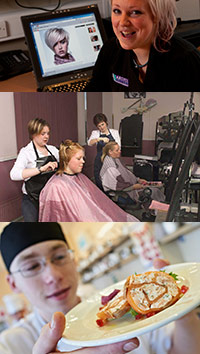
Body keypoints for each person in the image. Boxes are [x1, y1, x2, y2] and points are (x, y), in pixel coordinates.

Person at [0, 222, 200, 354]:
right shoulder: (10, 345)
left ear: (73, 259)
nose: (53, 275)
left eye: (60, 257)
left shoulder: (127, 308)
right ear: (13, 284)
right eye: (32, 266)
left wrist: (181, 313)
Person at [88, 0, 200, 92]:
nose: (123, 22)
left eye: (135, 12)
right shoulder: (110, 51)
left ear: (158, 14)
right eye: (117, 11)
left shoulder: (186, 61)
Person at [39, 139, 137, 221]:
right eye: (79, 158)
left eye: (83, 158)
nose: (83, 161)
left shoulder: (81, 177)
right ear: (66, 160)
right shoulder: (55, 186)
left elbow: (96, 202)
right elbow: (55, 216)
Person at [10, 118, 59, 222]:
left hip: (49, 198)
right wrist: (40, 169)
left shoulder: (53, 150)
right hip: (32, 199)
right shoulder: (26, 152)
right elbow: (14, 174)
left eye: (47, 133)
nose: (46, 136)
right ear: (33, 134)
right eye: (43, 133)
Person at [100, 142, 165, 204]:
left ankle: (159, 208)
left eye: (119, 149)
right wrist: (133, 187)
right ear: (110, 152)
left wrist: (138, 180)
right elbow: (117, 186)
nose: (120, 151)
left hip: (131, 186)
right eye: (117, 150)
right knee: (153, 191)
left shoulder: (117, 160)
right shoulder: (110, 167)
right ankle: (156, 211)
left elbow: (127, 173)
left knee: (157, 188)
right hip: (124, 192)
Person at [88, 112, 120, 188]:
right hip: (100, 160)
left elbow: (119, 146)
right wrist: (99, 139)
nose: (101, 127)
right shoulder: (95, 133)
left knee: (112, 179)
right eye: (99, 126)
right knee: (99, 179)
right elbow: (89, 143)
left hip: (112, 160)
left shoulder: (114, 132)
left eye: (102, 124)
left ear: (106, 123)